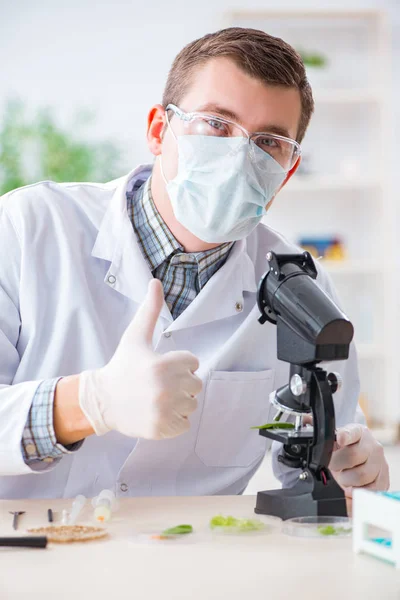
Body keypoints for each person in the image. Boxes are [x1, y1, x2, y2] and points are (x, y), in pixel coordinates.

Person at [0, 27, 389, 499]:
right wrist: (88, 403)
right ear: (159, 131)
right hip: (33, 557)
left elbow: (318, 473)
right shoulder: (26, 229)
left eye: (268, 142)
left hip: (198, 564)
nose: (239, 156)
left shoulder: (301, 287)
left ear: (286, 173)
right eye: (217, 125)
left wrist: (353, 475)